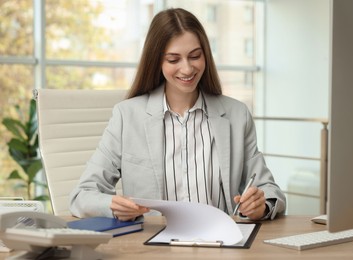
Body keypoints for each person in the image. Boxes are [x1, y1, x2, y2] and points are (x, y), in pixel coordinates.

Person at [69, 8, 286, 221]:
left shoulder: (237, 115)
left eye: (195, 56)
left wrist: (261, 205)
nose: (187, 69)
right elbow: (82, 195)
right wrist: (112, 206)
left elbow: (270, 190)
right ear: (157, 62)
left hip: (222, 245)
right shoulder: (127, 116)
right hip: (154, 247)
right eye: (173, 60)